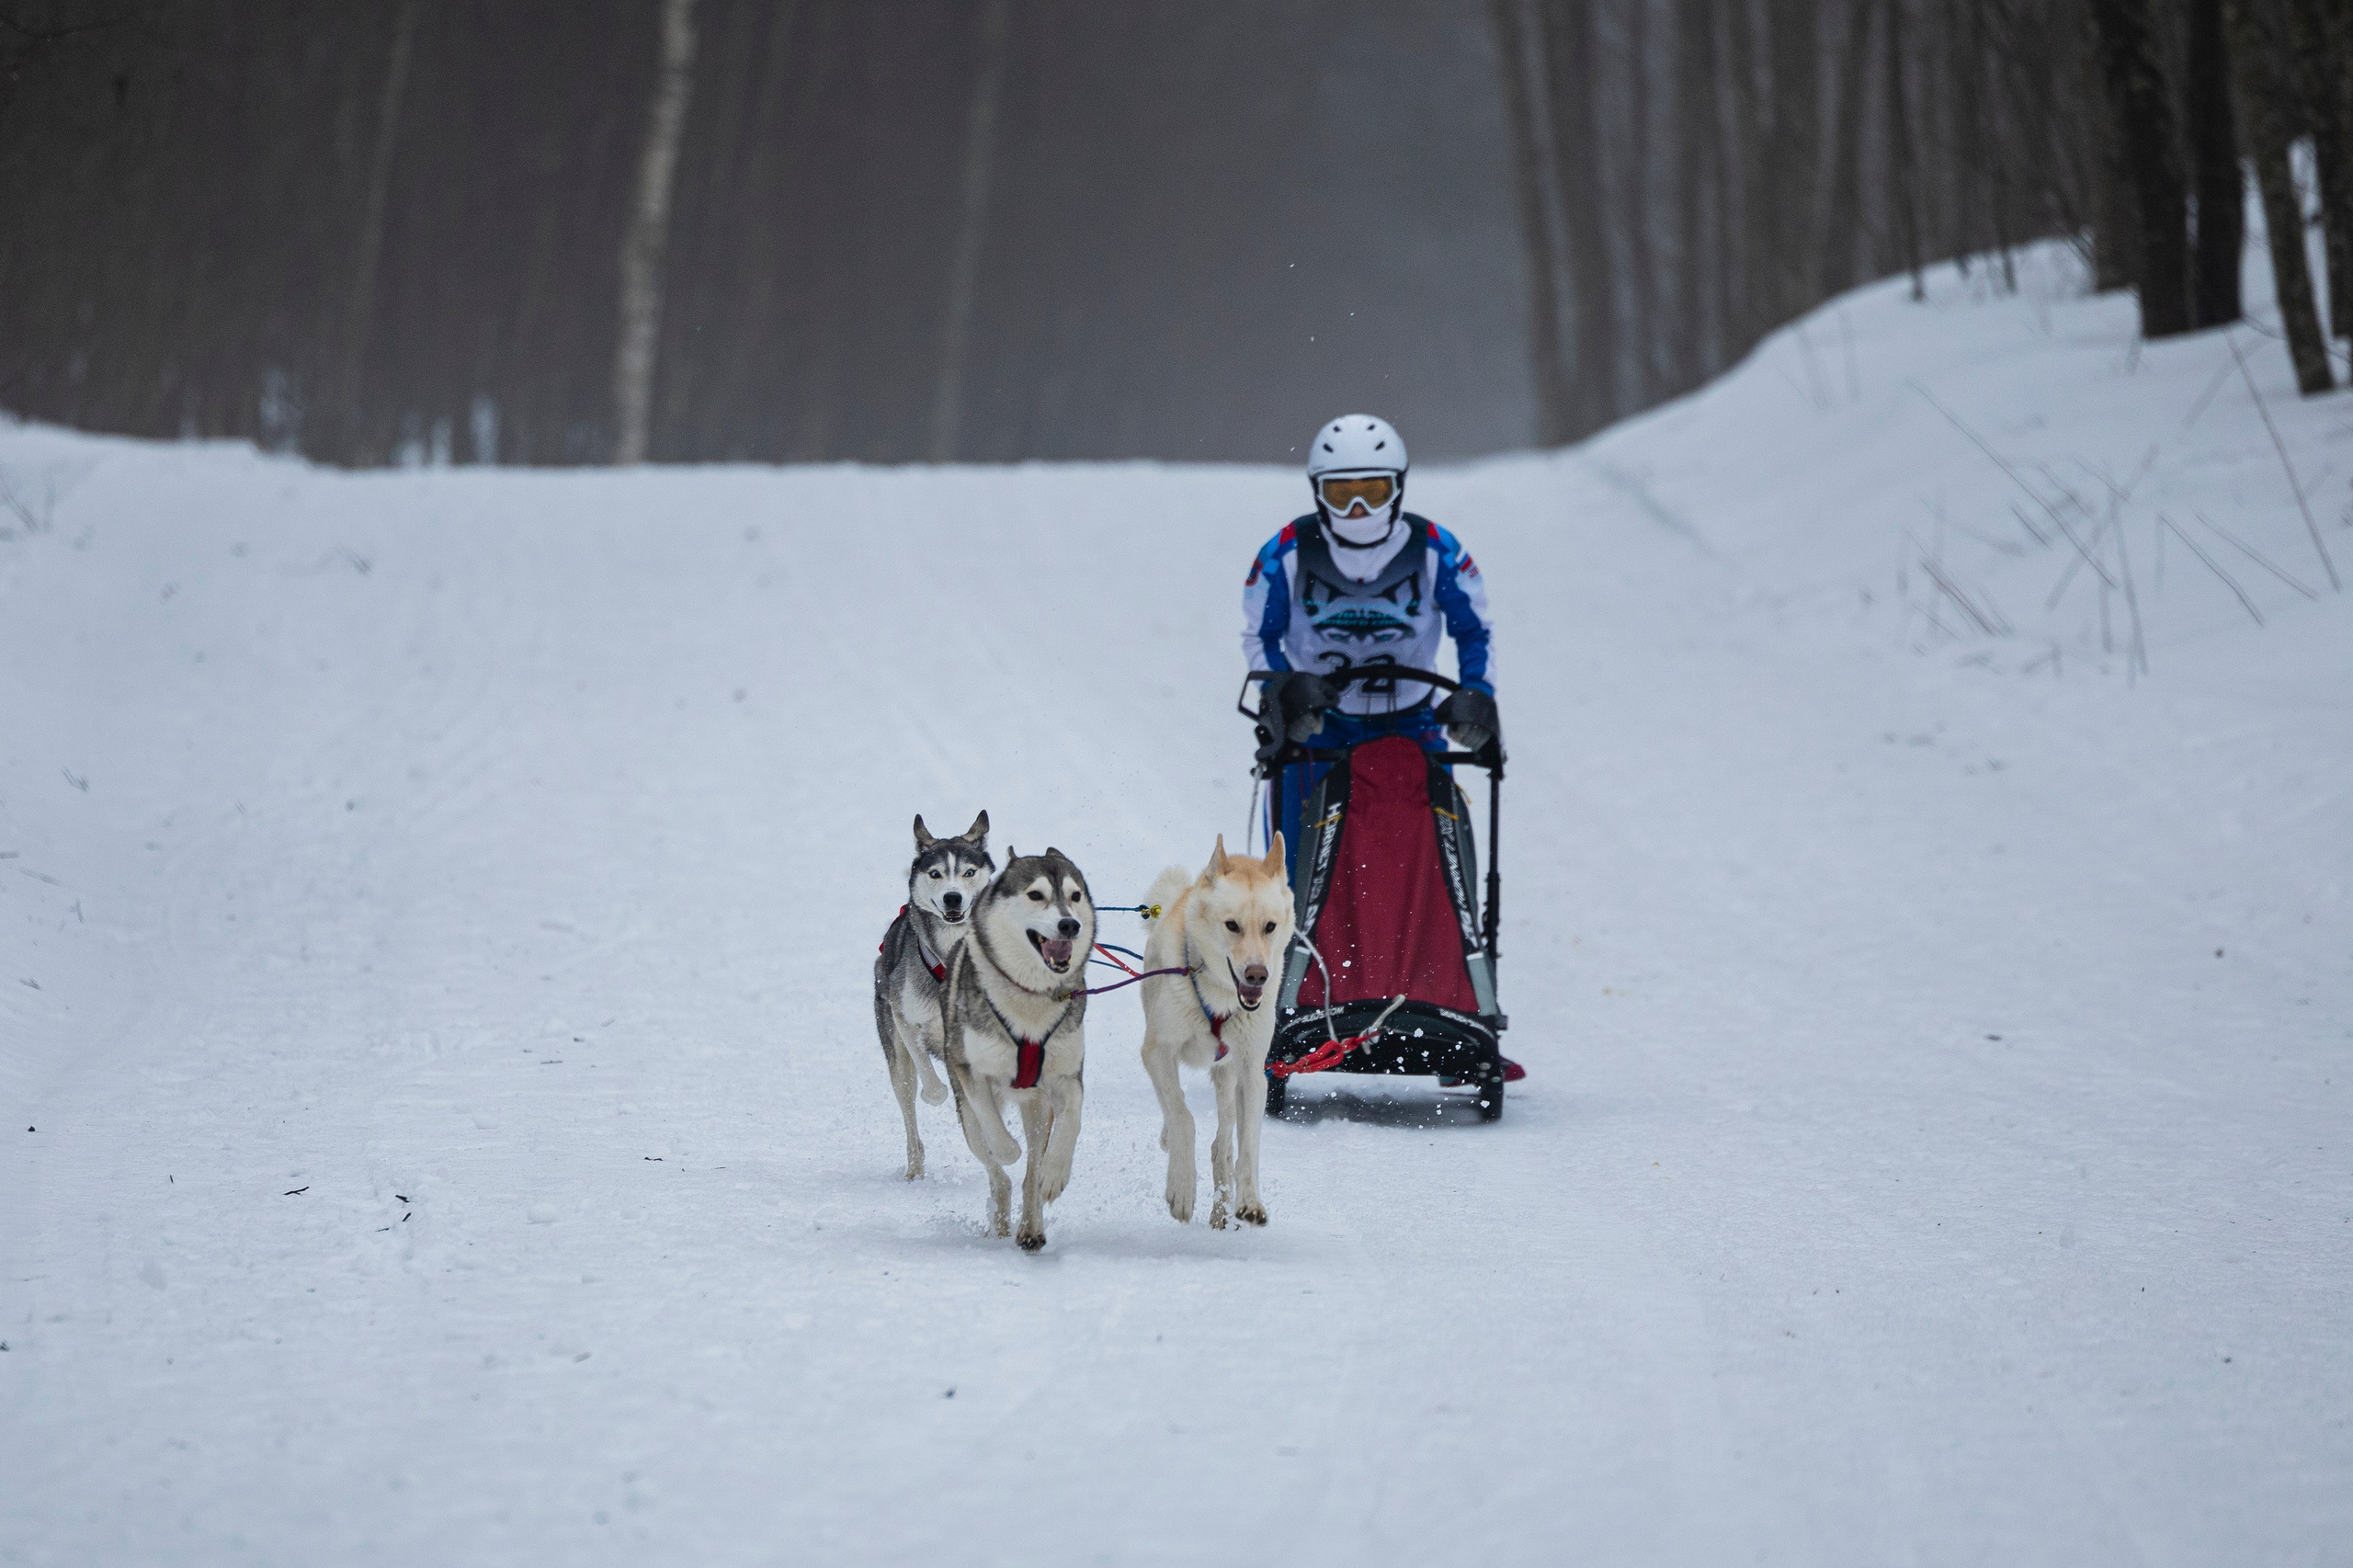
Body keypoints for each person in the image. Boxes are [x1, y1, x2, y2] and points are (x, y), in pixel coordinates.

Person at [1242, 414, 1500, 872]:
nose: (1357, 509)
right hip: (1315, 727)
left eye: (1373, 491)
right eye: (1341, 494)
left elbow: (1474, 629)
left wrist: (1477, 692)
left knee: (1432, 866)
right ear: (1318, 492)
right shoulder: (1286, 552)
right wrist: (1282, 690)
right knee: (1294, 869)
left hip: (1414, 723)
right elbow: (1260, 635)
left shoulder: (1436, 550)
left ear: (1398, 487)